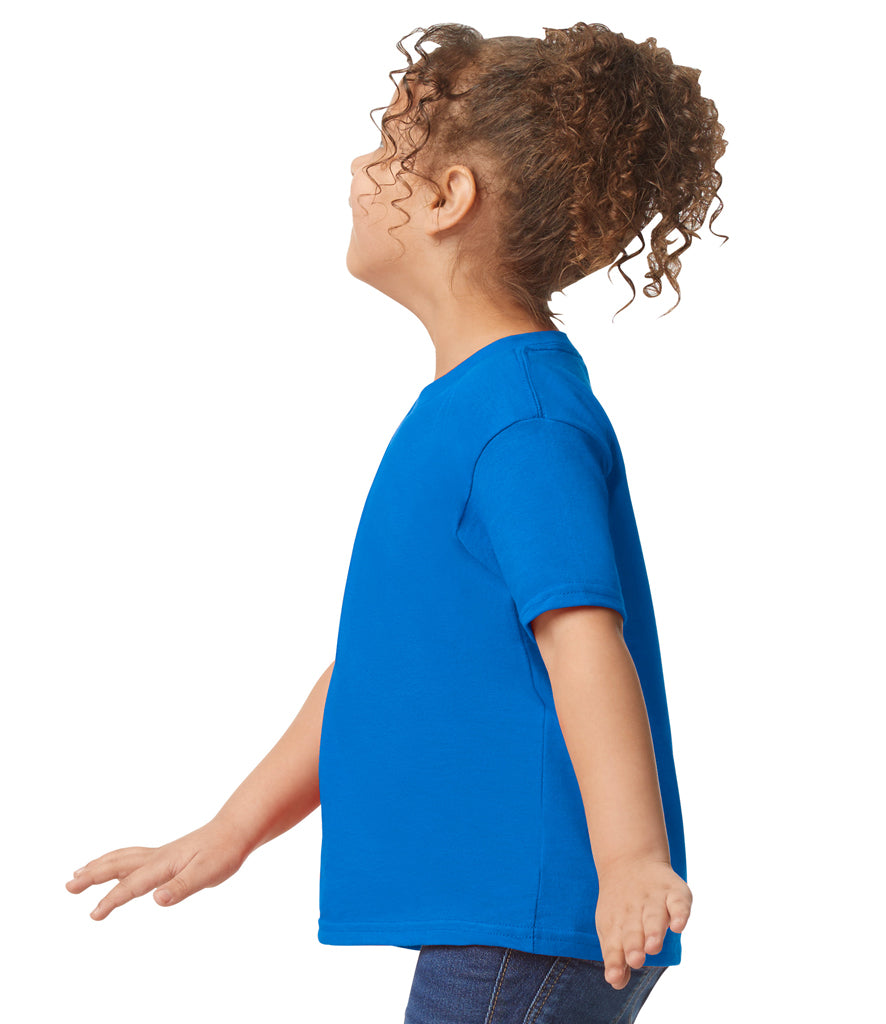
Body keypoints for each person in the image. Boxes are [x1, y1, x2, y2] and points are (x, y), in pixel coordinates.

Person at [66, 21, 727, 1024]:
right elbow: (377, 662)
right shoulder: (472, 407)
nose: (356, 167)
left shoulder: (522, 421)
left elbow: (586, 640)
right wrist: (231, 829)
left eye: (386, 145)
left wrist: (632, 860)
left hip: (529, 918)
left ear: (449, 196)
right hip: (501, 918)